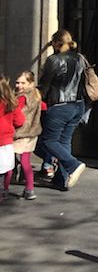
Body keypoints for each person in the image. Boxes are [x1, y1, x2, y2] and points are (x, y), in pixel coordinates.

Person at [38, 30, 87, 191]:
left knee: (48, 141)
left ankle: (73, 165)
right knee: (64, 141)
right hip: (78, 104)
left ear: (56, 43)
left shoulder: (53, 60)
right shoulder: (80, 58)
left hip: (59, 105)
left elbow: (44, 86)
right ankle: (62, 179)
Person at [8, 72, 47, 200]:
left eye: (23, 83)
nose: (19, 85)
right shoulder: (36, 95)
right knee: (26, 161)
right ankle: (29, 189)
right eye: (17, 82)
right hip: (32, 133)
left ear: (30, 83)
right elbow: (44, 107)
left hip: (19, 133)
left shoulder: (21, 97)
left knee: (8, 162)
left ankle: (4, 189)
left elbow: (14, 112)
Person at [0, 75, 25, 201]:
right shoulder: (11, 103)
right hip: (5, 141)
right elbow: (20, 121)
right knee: (5, 169)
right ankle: (3, 190)